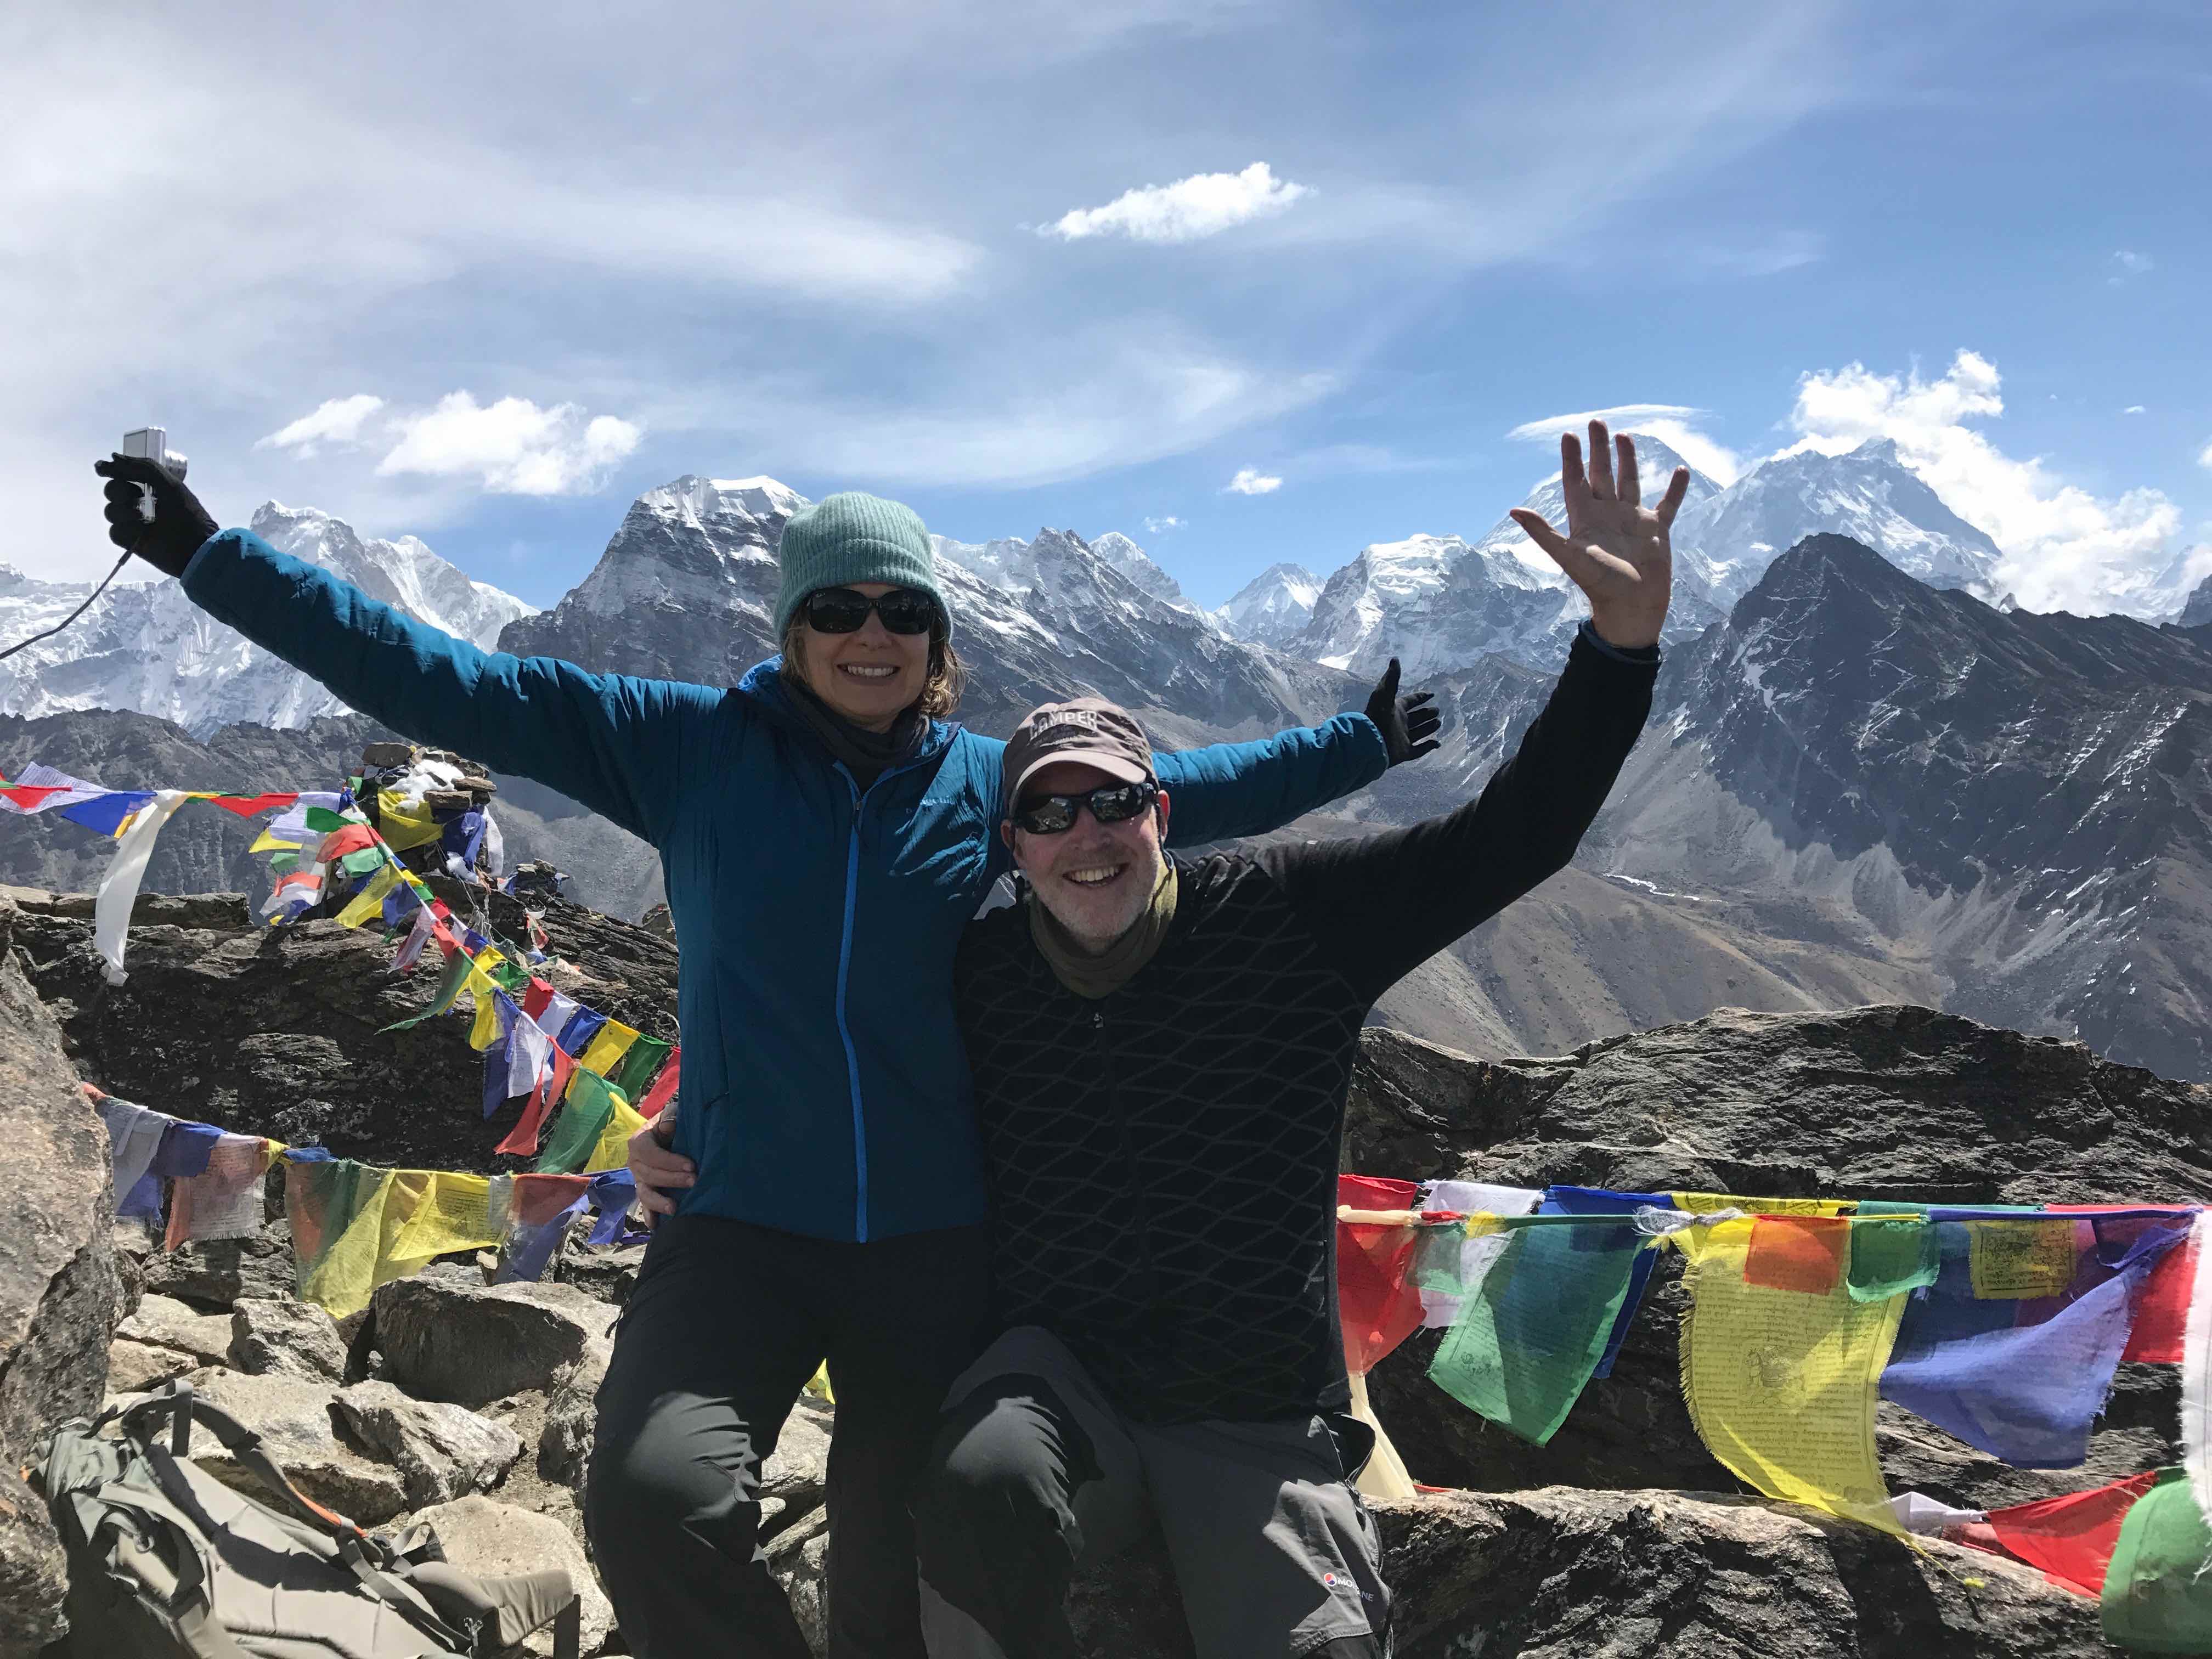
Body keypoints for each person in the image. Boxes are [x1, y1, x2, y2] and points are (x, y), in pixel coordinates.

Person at [93, 454, 1443, 1658]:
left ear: (938, 638)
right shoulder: (685, 751)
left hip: (936, 1234)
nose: (873, 635)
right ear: (791, 629)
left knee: (894, 1559)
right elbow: (443, 677)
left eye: (903, 612)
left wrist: (1360, 744)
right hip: (734, 1216)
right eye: (840, 610)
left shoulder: (987, 786)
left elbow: (1185, 794)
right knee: (647, 1504)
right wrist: (215, 556)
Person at [873, 422, 1678, 1656]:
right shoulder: (975, 971)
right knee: (978, 1486)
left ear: (1161, 813)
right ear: (1013, 849)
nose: (1087, 836)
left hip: (1251, 1406)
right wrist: (688, 1129)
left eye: (1114, 801)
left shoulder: (1291, 919)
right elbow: (821, 1028)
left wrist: (1619, 651)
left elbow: (1512, 838)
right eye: (1048, 813)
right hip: (1053, 1380)